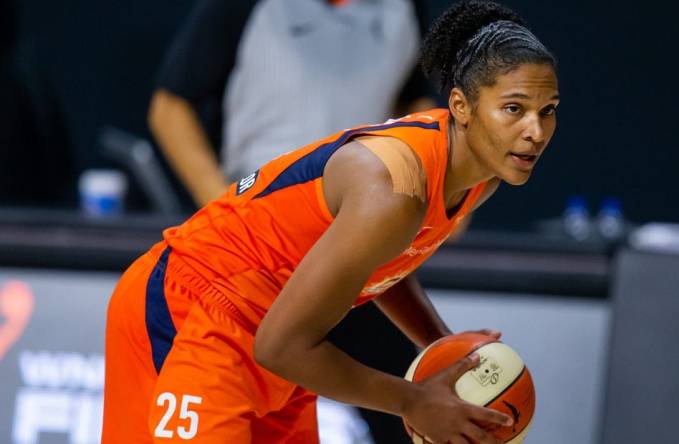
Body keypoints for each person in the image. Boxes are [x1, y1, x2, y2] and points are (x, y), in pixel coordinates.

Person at [102, 0, 560, 442]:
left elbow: (381, 259)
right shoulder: (393, 190)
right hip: (194, 308)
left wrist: (438, 347)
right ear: (461, 107)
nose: (535, 132)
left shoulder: (479, 174)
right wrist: (412, 401)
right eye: (514, 109)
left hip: (283, 325)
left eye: (548, 111)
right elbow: (280, 346)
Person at [148, 0, 434, 208]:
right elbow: (169, 108)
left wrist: (431, 189)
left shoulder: (406, 10)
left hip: (357, 218)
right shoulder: (243, 7)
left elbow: (413, 102)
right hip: (259, 212)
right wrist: (223, 205)